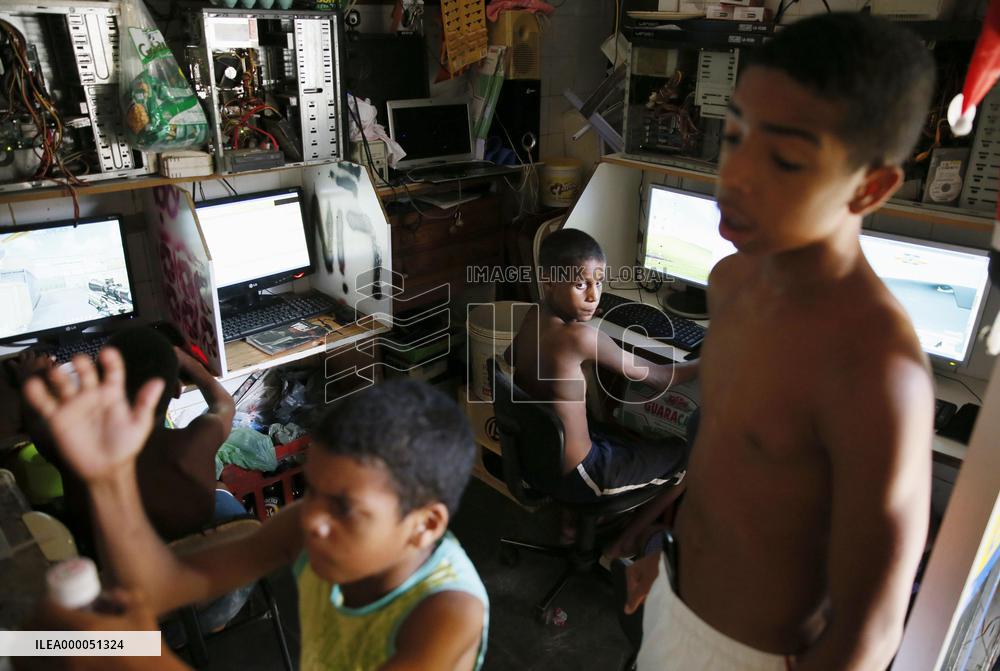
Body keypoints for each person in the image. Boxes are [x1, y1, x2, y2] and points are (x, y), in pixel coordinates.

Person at [625, 12, 937, 670]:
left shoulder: (875, 370)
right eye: (736, 136)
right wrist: (669, 560)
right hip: (673, 600)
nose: (736, 176)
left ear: (870, 187)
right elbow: (730, 459)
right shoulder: (730, 281)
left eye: (787, 160)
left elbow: (870, 632)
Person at [24, 351, 489, 670]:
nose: (313, 518)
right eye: (313, 489)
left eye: (345, 508)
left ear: (425, 525)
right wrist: (110, 479)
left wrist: (138, 654)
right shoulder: (312, 526)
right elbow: (162, 583)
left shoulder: (447, 613)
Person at [507, 228, 693, 504]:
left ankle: (573, 523)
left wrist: (573, 318)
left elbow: (511, 357)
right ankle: (631, 533)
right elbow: (662, 377)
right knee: (686, 454)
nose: (594, 297)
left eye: (599, 283)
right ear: (549, 282)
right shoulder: (581, 338)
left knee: (619, 432)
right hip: (584, 475)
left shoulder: (534, 313)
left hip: (540, 460)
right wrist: (711, 356)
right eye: (581, 285)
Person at [28, 325, 237, 545]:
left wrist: (31, 377)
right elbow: (224, 404)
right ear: (176, 390)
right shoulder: (200, 439)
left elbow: (36, 422)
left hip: (108, 562)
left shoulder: (75, 449)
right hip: (194, 555)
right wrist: (187, 361)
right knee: (219, 488)